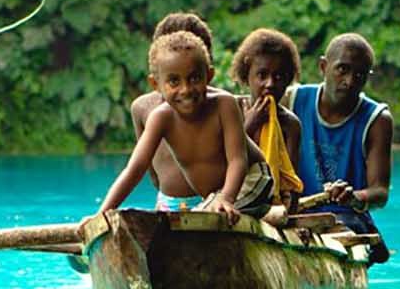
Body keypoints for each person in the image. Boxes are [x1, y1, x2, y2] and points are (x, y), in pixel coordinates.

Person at [97, 31, 273, 220]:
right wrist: (101, 215)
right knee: (195, 216)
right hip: (215, 196)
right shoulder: (160, 118)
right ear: (156, 84)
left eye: (195, 78)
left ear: (209, 76)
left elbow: (238, 160)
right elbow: (135, 169)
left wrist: (225, 198)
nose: (186, 90)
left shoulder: (224, 105)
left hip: (253, 180)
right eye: (174, 81)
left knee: (201, 218)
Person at [288, 32, 391, 235]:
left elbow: (380, 192)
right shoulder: (293, 100)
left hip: (347, 219)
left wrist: (354, 198)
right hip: (295, 212)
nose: (350, 81)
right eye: (342, 69)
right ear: (323, 67)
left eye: (360, 75)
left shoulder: (377, 119)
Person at [230, 27, 305, 206]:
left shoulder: (290, 124)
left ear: (288, 80)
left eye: (279, 76)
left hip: (274, 206)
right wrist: (249, 125)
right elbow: (219, 164)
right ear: (247, 75)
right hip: (232, 200)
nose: (270, 84)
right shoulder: (232, 110)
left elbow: (291, 182)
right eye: (262, 75)